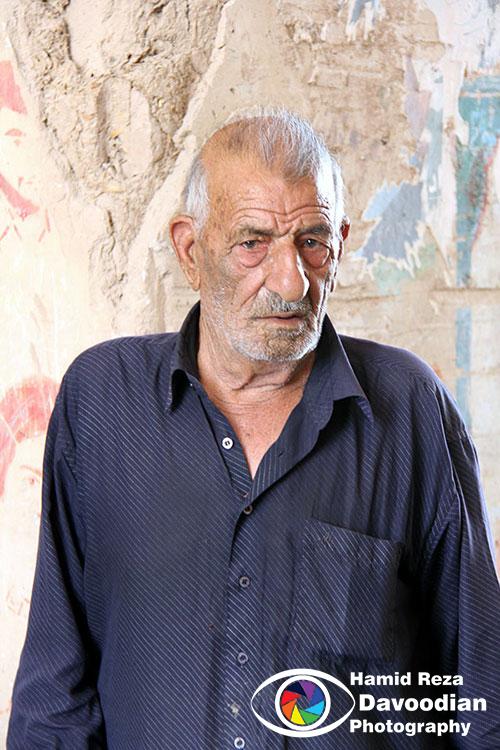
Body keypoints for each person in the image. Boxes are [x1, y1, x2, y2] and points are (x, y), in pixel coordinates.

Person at [7, 110, 500, 749]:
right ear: (191, 250)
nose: (291, 282)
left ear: (340, 242)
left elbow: (480, 699)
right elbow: (55, 699)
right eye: (253, 242)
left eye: (312, 241)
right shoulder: (103, 403)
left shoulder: (410, 410)